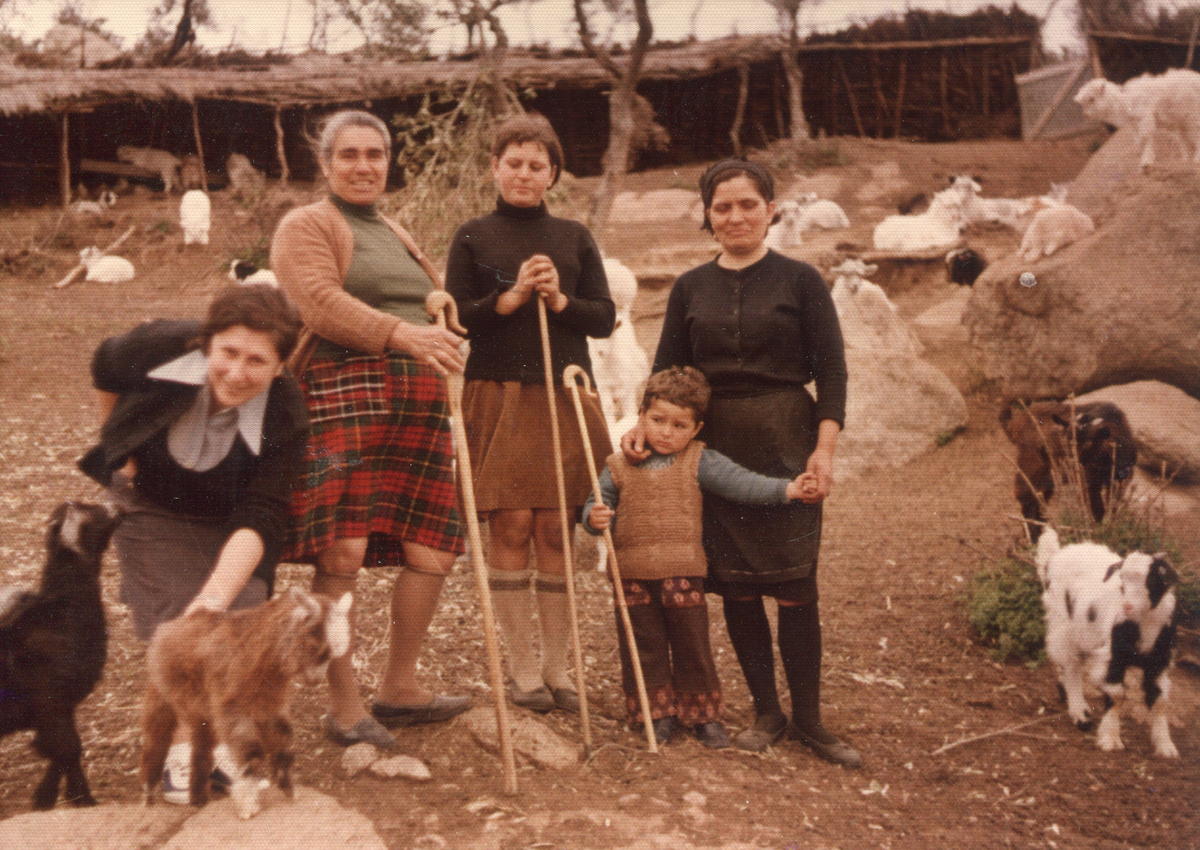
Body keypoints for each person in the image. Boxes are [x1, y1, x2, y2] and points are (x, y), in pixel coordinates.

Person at [624, 159, 862, 768]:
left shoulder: (802, 281)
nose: (735, 217)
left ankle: (809, 719)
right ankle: (766, 712)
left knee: (794, 584)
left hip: (787, 438)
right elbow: (665, 374)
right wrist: (642, 431)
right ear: (707, 215)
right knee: (734, 587)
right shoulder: (689, 288)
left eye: (747, 204)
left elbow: (832, 371)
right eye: (722, 207)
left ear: (771, 209)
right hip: (713, 450)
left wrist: (824, 448)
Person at [270, 109, 470, 751]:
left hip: (416, 405)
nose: (363, 166)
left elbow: (428, 308)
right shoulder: (307, 224)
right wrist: (408, 333)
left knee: (433, 549)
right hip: (341, 396)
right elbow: (320, 305)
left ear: (388, 162)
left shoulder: (393, 228)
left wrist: (444, 323)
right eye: (349, 155)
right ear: (325, 165)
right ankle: (344, 703)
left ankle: (400, 687)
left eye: (375, 154)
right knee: (344, 552)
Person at [79, 282, 309, 801]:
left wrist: (214, 599)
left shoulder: (286, 414)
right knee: (177, 617)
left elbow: (263, 514)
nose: (236, 371)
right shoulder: (159, 345)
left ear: (279, 367)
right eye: (227, 352)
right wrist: (117, 444)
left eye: (257, 361)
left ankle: (214, 746)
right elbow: (104, 365)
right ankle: (184, 756)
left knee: (239, 621)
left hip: (231, 524)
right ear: (207, 343)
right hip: (152, 504)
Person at [445, 113, 615, 713]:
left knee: (555, 528)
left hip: (562, 392)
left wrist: (560, 299)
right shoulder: (472, 234)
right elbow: (456, 316)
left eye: (536, 165)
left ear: (553, 174)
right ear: (495, 168)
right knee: (512, 524)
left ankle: (558, 669)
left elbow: (604, 317)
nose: (523, 173)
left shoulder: (573, 236)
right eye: (512, 163)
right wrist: (511, 298)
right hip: (500, 393)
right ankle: (521, 670)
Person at [583, 366, 823, 750]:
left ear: (696, 430)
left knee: (692, 644)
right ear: (641, 416)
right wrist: (594, 518)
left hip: (683, 573)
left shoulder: (699, 460)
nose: (666, 431)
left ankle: (703, 715)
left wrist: (788, 489)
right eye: (658, 420)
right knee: (642, 646)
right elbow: (596, 506)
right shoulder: (617, 466)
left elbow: (742, 483)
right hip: (631, 574)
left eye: (679, 425)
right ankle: (655, 714)